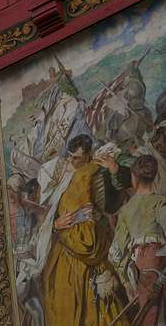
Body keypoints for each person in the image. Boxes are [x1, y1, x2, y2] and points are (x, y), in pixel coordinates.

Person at [41, 134, 128, 325]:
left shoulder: (97, 173)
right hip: (65, 250)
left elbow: (112, 204)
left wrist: (114, 170)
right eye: (70, 156)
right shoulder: (62, 176)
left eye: (77, 158)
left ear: (88, 156)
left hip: (91, 245)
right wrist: (55, 225)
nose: (72, 161)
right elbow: (48, 214)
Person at [110, 155, 166, 325]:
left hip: (145, 267)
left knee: (151, 317)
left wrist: (127, 282)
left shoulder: (126, 210)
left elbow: (116, 253)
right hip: (155, 265)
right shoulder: (161, 202)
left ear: (133, 177)